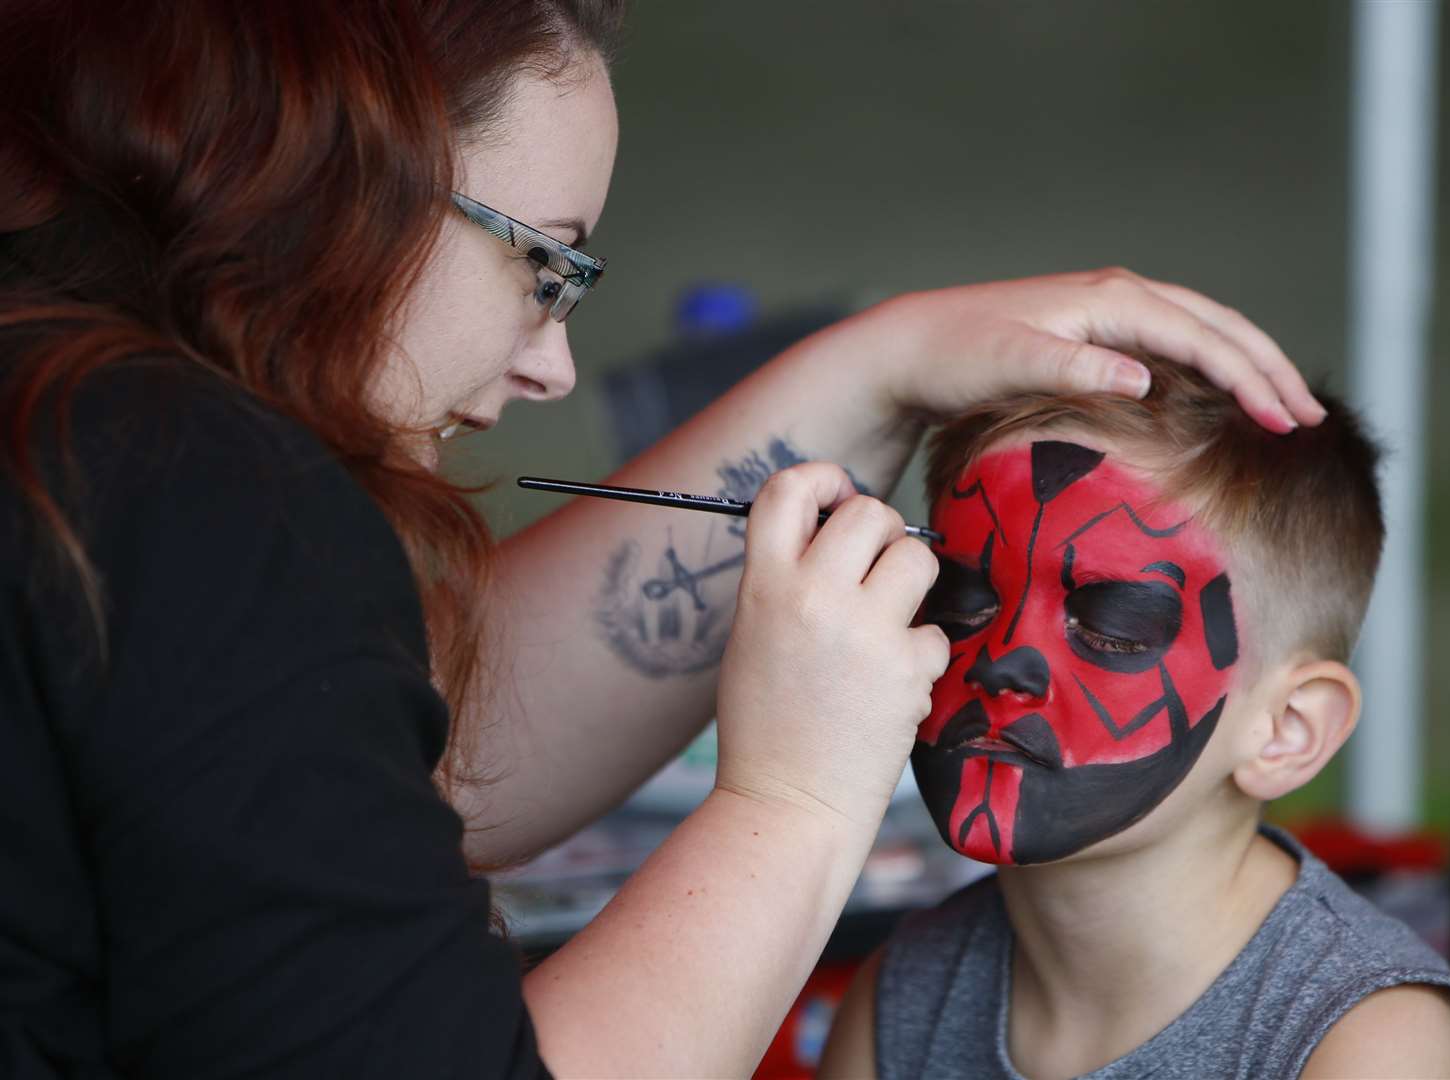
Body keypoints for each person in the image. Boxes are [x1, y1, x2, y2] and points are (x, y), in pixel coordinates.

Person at [0, 2, 1325, 1076]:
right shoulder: (195, 487)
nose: (553, 365)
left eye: (1110, 612)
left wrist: (881, 368)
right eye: (547, 265)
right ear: (341, 175)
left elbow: (409, 766)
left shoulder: (81, 422)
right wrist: (794, 799)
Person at [819, 361, 1450, 1079]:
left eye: (1113, 626)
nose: (1002, 661)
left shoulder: (1362, 1047)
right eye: (962, 604)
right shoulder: (903, 999)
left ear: (1286, 728)